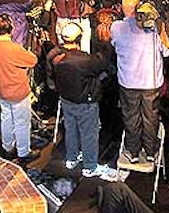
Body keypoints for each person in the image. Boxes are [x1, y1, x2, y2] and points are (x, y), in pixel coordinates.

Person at [47, 22, 117, 180]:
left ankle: (71, 158)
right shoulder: (84, 60)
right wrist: (105, 42)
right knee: (89, 134)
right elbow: (104, 63)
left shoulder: (54, 56)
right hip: (85, 101)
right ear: (79, 38)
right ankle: (90, 167)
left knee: (70, 129)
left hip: (66, 99)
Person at [111, 0, 169, 164]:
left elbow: (114, 45)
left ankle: (132, 152)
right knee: (151, 117)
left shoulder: (116, 27)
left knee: (131, 117)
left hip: (128, 82)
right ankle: (150, 152)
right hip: (150, 82)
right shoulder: (154, 28)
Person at [0, 13, 39, 162]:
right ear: (11, 28)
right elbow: (33, 60)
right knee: (22, 122)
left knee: (6, 119)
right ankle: (23, 152)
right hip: (17, 92)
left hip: (1, 90)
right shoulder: (13, 48)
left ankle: (7, 147)